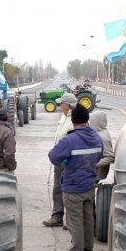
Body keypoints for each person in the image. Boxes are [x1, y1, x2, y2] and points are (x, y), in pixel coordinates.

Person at [48, 104, 103, 251]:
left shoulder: (70, 140)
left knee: (74, 221)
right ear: (87, 120)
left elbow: (53, 157)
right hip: (89, 185)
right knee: (88, 220)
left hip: (73, 187)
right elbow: (99, 157)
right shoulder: (97, 138)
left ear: (73, 121)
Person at [43, 93, 77, 227]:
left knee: (69, 190)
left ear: (68, 105)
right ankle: (57, 216)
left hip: (69, 161)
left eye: (62, 103)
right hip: (60, 160)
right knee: (57, 187)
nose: (60, 105)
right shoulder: (64, 117)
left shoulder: (76, 119)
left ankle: (70, 220)